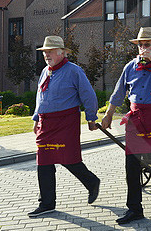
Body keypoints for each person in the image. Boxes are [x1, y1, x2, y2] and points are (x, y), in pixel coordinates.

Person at [101, 27, 151, 224]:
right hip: (136, 120)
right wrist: (108, 114)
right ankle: (135, 209)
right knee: (131, 167)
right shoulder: (130, 67)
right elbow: (119, 92)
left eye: (147, 44)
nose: (143, 48)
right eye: (140, 45)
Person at [28, 36, 100, 217]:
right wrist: (36, 119)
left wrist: (91, 118)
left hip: (66, 122)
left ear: (61, 52)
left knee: (68, 159)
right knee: (43, 162)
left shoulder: (74, 71)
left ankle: (92, 182)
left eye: (50, 51)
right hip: (46, 123)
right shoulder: (45, 71)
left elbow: (88, 95)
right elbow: (40, 98)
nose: (46, 55)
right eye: (44, 52)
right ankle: (47, 203)